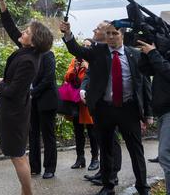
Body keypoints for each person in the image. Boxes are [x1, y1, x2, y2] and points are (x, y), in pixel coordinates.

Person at [61, 20, 153, 195]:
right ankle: (108, 185)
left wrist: (148, 114)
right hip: (105, 109)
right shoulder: (98, 52)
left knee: (136, 150)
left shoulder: (135, 55)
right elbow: (76, 50)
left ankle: (143, 187)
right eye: (108, 33)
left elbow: (144, 86)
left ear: (122, 35)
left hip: (129, 109)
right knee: (106, 149)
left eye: (115, 33)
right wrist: (68, 34)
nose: (110, 37)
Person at [0, 0, 54, 195]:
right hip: (15, 112)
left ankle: (28, 193)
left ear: (34, 41)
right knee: (20, 154)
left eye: (27, 31)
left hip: (15, 113)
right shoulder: (29, 51)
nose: (23, 32)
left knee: (17, 155)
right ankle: (25, 191)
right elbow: (11, 29)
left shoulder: (30, 60)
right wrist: (2, 3)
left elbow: (13, 91)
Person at [80, 22, 122, 186]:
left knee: (113, 140)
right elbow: (89, 74)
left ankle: (113, 173)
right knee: (103, 140)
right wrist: (84, 89)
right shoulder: (97, 51)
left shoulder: (114, 53)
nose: (94, 30)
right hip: (97, 103)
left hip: (112, 103)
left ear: (107, 33)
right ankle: (103, 172)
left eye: (97, 28)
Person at [138, 39, 170, 194]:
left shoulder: (159, 55)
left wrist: (153, 53)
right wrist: (147, 51)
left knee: (166, 156)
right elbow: (145, 69)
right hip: (163, 112)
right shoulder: (164, 52)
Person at [64, 39, 99, 171]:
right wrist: (75, 68)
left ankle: (95, 159)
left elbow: (94, 79)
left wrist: (87, 67)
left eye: (87, 46)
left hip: (88, 102)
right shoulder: (75, 60)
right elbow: (67, 77)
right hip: (76, 102)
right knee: (78, 131)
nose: (84, 47)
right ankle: (80, 158)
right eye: (83, 45)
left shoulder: (94, 60)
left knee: (92, 132)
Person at [28, 47, 58, 179]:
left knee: (48, 135)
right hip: (32, 102)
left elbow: (48, 78)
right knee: (32, 134)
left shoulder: (47, 54)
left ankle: (50, 167)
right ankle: (34, 167)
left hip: (46, 100)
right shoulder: (29, 55)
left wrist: (32, 92)